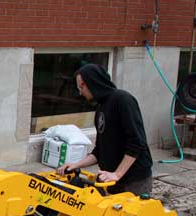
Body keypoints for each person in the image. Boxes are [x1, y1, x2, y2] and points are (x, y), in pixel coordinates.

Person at [57, 64, 153, 196]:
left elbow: (137, 142)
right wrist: (75, 165)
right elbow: (99, 151)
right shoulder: (101, 107)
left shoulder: (123, 100)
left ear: (92, 82)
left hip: (133, 180)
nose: (80, 92)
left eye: (81, 86)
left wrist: (117, 174)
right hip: (110, 179)